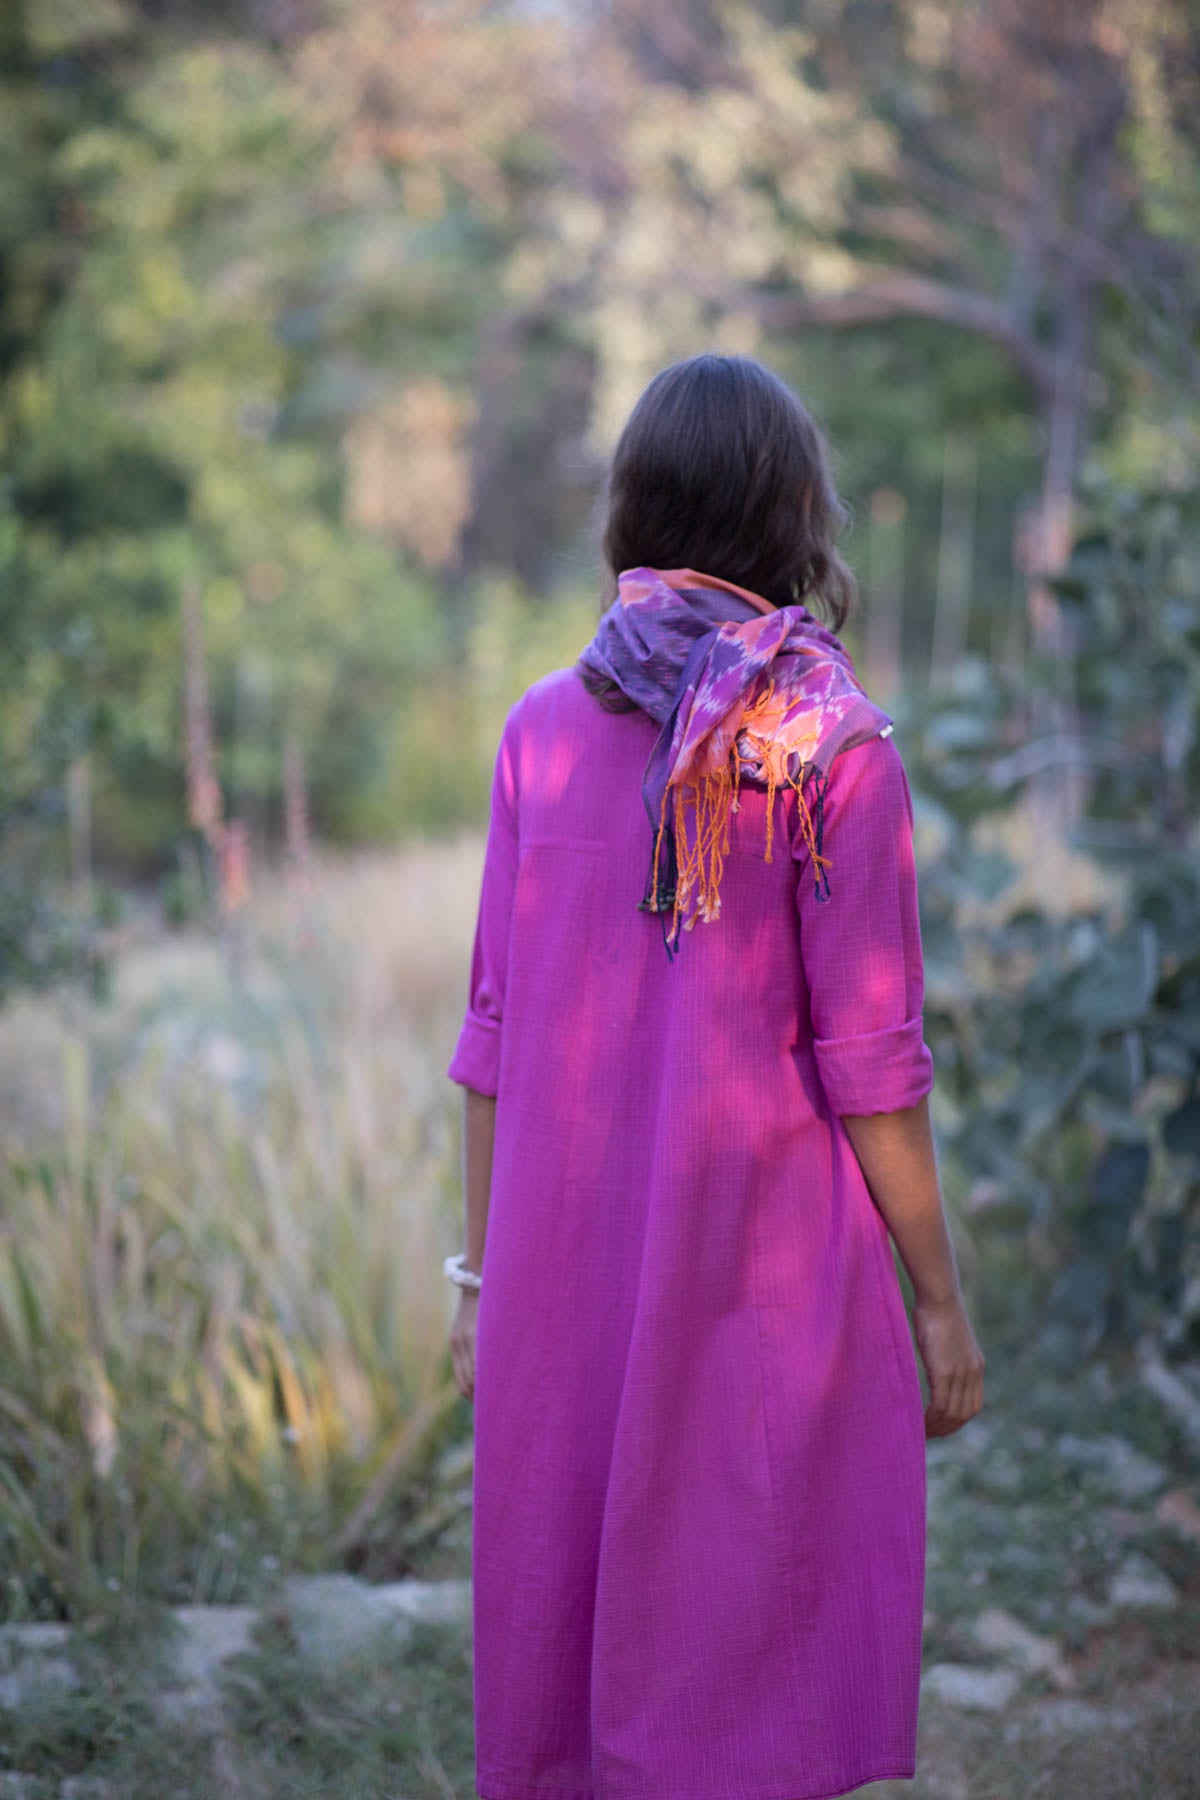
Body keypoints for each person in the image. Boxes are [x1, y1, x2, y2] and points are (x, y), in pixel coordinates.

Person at [444, 351, 985, 1800]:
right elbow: (873, 1067)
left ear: (636, 511)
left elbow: (489, 1047)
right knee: (753, 1667)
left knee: (572, 1643)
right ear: (791, 516)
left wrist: (480, 1287)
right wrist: (938, 1300)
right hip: (762, 1288)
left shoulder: (540, 733)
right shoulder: (830, 746)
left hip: (565, 1287)